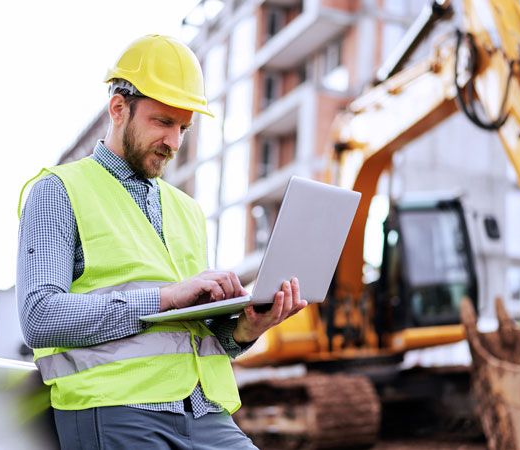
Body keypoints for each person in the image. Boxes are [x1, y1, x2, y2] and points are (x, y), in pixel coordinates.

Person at [16, 34, 307, 449]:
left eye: (184, 127)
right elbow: (40, 317)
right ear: (118, 109)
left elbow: (191, 335)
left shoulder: (187, 210)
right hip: (116, 409)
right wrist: (165, 297)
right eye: (163, 122)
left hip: (205, 412)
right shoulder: (58, 190)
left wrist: (245, 328)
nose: (174, 143)